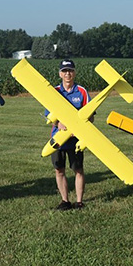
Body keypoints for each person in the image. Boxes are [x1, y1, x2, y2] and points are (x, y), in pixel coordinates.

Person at [46, 59, 91, 211]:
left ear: (74, 72)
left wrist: (79, 128)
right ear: (60, 74)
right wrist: (58, 123)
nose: (67, 74)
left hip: (76, 138)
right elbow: (48, 114)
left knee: (78, 169)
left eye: (70, 70)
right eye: (64, 71)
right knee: (59, 170)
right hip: (58, 137)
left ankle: (79, 201)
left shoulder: (82, 91)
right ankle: (65, 200)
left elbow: (90, 115)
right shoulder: (54, 91)